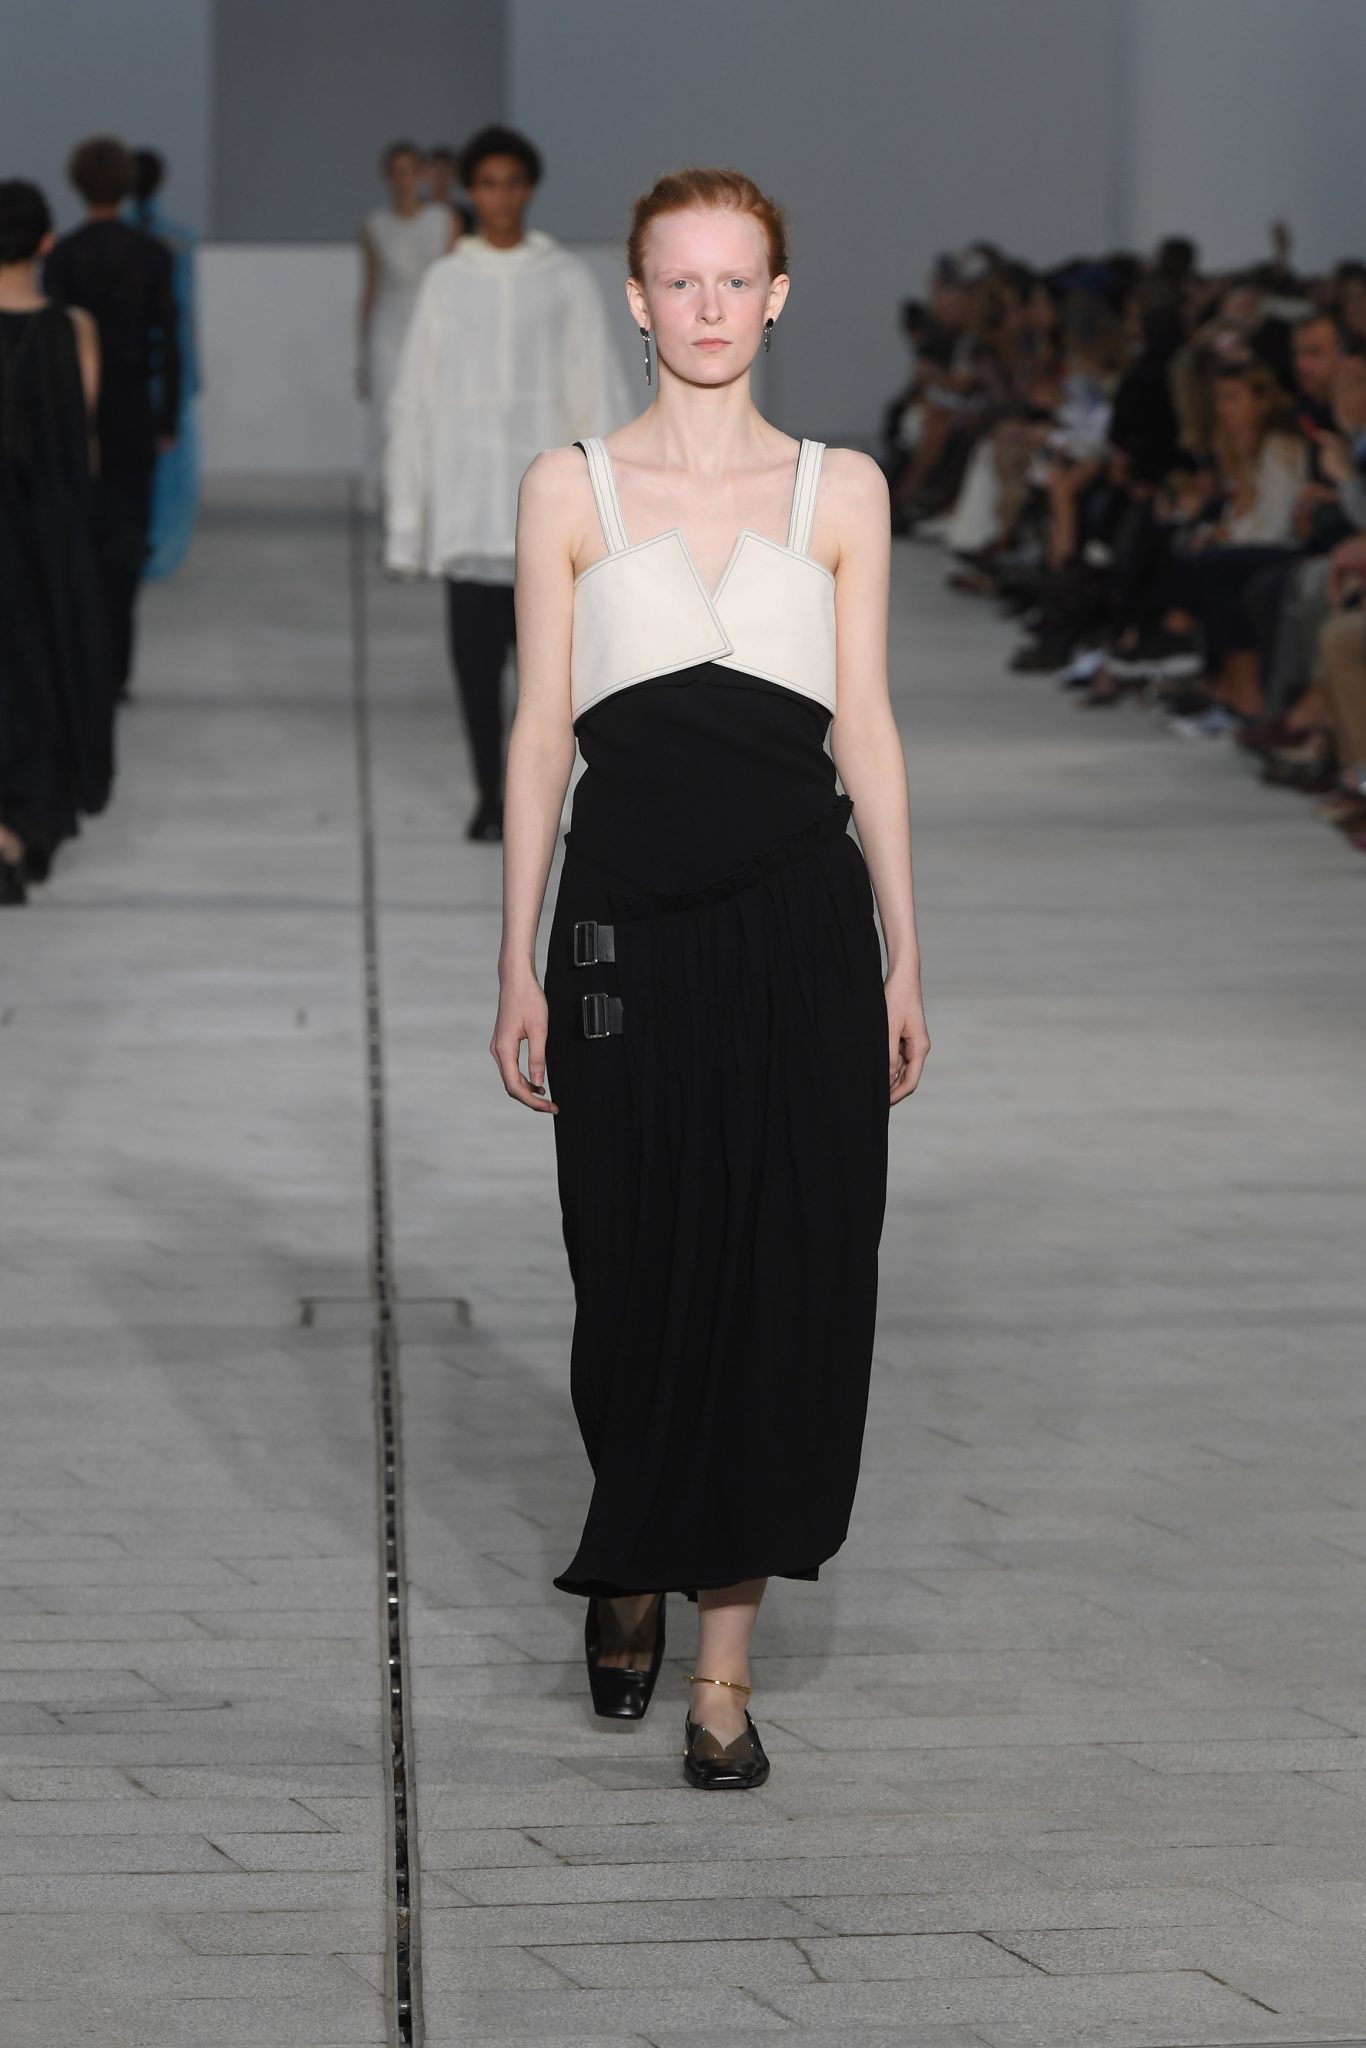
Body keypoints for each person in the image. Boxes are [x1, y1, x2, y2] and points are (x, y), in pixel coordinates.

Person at [492, 168, 928, 1789]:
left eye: (735, 280)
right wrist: (516, 955)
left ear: (777, 295)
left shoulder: (841, 491)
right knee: (628, 1266)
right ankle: (631, 1551)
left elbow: (865, 727)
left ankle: (723, 1673)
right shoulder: (569, 488)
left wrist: (904, 949)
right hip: (619, 931)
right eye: (678, 281)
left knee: (786, 1273)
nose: (707, 308)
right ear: (635, 299)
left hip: (800, 928)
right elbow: (540, 736)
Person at [384, 124, 630, 843]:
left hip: (546, 514)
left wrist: (612, 508)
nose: (500, 197)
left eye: (512, 183)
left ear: (530, 189)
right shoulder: (446, 281)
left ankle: (539, 797)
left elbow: (596, 390)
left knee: (550, 677)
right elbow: (415, 400)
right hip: (468, 513)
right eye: (487, 184)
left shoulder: (564, 278)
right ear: (470, 191)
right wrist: (408, 524)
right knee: (474, 670)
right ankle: (489, 793)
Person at [0, 178, 109, 902]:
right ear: (46, 242)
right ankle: (25, 829)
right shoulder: (74, 330)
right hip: (49, 533)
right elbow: (83, 433)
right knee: (40, 675)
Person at [44, 136, 179, 702]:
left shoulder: (64, 255)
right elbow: (168, 339)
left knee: (77, 535)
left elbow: (52, 342)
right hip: (131, 405)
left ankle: (81, 662)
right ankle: (116, 668)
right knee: (126, 543)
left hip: (74, 406)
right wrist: (167, 416)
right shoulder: (152, 255)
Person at [357, 140, 457, 507]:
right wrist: (361, 355)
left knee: (431, 413)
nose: (404, 180)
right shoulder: (375, 225)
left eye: (411, 171)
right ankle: (388, 491)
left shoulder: (444, 221)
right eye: (397, 172)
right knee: (387, 414)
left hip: (431, 331)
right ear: (387, 177)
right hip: (386, 331)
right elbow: (369, 288)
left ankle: (427, 493)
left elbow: (455, 287)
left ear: (423, 175)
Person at [131, 147, 200, 578]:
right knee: (170, 461)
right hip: (167, 364)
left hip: (124, 367)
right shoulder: (179, 241)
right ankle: (159, 545)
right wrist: (192, 373)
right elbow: (186, 312)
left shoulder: (112, 237)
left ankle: (139, 544)